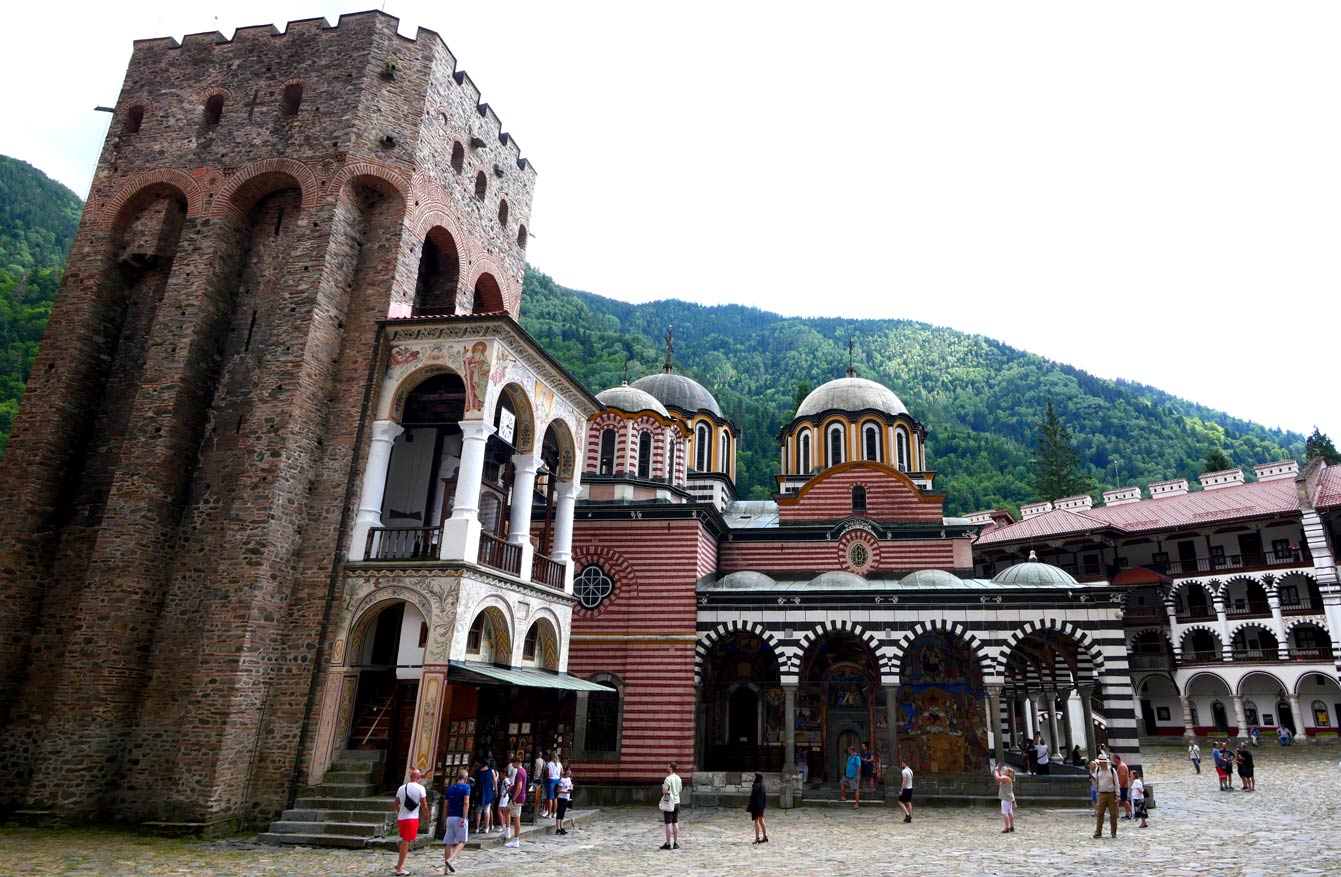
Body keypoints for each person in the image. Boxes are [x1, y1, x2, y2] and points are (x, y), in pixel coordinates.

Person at [393, 767, 427, 877]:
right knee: (405, 841)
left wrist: (401, 811)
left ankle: (400, 864)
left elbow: (396, 804)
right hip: (412, 818)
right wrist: (427, 813)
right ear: (419, 777)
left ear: (410, 776)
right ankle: (399, 867)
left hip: (401, 818)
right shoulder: (420, 788)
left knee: (404, 839)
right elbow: (424, 804)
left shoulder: (402, 788)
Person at [442, 767, 471, 873]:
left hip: (450, 816)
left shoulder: (450, 788)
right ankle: (451, 859)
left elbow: (445, 806)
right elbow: (466, 802)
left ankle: (446, 869)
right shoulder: (466, 787)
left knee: (448, 842)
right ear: (466, 778)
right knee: (462, 841)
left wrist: (445, 820)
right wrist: (464, 817)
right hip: (459, 816)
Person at [1092, 753, 1119, 839]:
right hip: (1101, 793)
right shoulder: (1097, 770)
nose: (1102, 763)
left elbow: (1116, 783)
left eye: (1103, 762)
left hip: (1111, 793)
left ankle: (1113, 832)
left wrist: (1118, 795)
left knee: (1113, 814)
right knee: (1100, 813)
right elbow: (1096, 782)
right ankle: (1098, 831)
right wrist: (1093, 781)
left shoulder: (1112, 770)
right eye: (1101, 762)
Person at [505, 755, 527, 849]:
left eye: (513, 763)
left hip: (517, 798)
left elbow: (519, 787)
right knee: (507, 811)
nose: (512, 765)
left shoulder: (519, 773)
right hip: (520, 797)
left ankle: (515, 839)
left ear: (516, 763)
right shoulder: (523, 771)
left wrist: (514, 798)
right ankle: (509, 832)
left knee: (516, 817)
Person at [659, 762, 682, 850]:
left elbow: (665, 791)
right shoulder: (679, 778)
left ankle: (668, 843)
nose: (666, 767)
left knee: (668, 823)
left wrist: (663, 788)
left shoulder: (668, 779)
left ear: (671, 768)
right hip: (677, 801)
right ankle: (676, 843)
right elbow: (679, 789)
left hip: (669, 801)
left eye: (668, 766)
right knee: (675, 822)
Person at [474, 759, 496, 833]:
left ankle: (477, 827)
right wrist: (496, 790)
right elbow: (495, 780)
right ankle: (486, 828)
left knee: (478, 811)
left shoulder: (478, 771)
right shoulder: (491, 771)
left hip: (480, 792)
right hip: (488, 791)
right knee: (487, 810)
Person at [993, 764, 1016, 833]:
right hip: (1009, 798)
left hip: (1005, 798)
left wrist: (996, 770)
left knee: (1004, 812)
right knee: (1009, 812)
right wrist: (1014, 801)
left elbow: (998, 778)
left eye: (1006, 771)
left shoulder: (1006, 778)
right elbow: (1000, 776)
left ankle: (1007, 827)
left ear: (1008, 773)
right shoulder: (1008, 779)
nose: (1004, 771)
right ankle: (1012, 826)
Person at [747, 772, 768, 844]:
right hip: (761, 806)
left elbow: (754, 797)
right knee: (761, 819)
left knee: (756, 821)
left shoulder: (756, 785)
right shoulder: (763, 785)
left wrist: (751, 804)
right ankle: (765, 836)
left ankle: (757, 838)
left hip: (756, 806)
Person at [498, 759, 516, 842]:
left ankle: (503, 825)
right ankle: (504, 825)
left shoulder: (505, 780)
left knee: (500, 811)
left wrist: (506, 793)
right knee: (504, 811)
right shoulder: (507, 779)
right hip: (505, 796)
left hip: (504, 796)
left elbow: (510, 786)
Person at [840, 744, 862, 808]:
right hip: (847, 776)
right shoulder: (849, 757)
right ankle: (843, 797)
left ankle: (857, 804)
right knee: (842, 783)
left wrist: (857, 776)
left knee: (855, 789)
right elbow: (847, 765)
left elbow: (859, 767)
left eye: (848, 750)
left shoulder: (857, 757)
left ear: (851, 750)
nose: (848, 751)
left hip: (854, 776)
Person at [555, 766, 574, 835]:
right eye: (568, 770)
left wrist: (571, 788)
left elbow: (570, 786)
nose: (569, 772)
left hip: (566, 797)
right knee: (559, 812)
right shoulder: (562, 780)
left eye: (570, 771)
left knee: (563, 812)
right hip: (561, 797)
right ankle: (558, 828)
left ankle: (562, 827)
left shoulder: (569, 779)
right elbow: (558, 790)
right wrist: (565, 792)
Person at [1113, 753, 1131, 818]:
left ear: (1117, 759)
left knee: (1124, 800)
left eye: (1114, 759)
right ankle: (1127, 814)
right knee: (1123, 800)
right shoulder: (1120, 765)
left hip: (1123, 786)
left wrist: (1120, 785)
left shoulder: (1122, 766)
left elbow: (1123, 776)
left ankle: (1131, 812)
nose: (1114, 761)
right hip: (1123, 785)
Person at [545, 751, 563, 818]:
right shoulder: (560, 764)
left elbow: (548, 774)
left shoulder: (549, 764)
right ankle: (554, 813)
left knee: (550, 798)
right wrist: (559, 779)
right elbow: (562, 773)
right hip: (557, 780)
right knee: (555, 798)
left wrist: (547, 777)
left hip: (551, 780)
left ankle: (549, 814)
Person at [898, 757, 914, 823]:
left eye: (902, 763)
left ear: (904, 763)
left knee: (900, 802)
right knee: (908, 802)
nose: (901, 764)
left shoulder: (904, 771)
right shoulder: (910, 770)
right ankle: (910, 816)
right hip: (910, 788)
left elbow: (904, 780)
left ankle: (907, 815)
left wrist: (901, 790)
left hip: (906, 788)